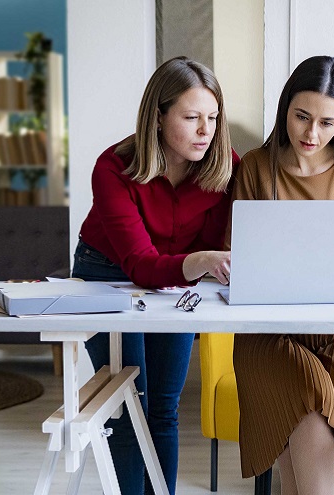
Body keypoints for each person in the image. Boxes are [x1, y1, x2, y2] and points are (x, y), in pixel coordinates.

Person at [71, 56, 237, 494]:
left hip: (179, 279)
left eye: (214, 118)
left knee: (163, 406)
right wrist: (202, 261)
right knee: (129, 405)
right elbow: (141, 266)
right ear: (158, 116)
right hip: (107, 274)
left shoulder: (227, 166)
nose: (206, 130)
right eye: (191, 117)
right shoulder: (113, 167)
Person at [230, 55, 334, 495]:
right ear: (285, 108)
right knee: (308, 400)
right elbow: (238, 261)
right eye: (302, 117)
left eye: (326, 123)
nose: (311, 133)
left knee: (296, 471)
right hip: (269, 337)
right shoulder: (255, 168)